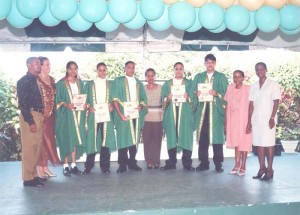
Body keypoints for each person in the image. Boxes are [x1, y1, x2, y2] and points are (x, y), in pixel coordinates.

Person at [191, 54, 228, 173]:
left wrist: (217, 94)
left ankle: (218, 164)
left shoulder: (221, 77)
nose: (210, 64)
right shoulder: (198, 77)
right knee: (203, 139)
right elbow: (192, 92)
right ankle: (204, 163)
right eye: (208, 62)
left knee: (217, 139)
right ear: (205, 63)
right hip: (202, 112)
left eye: (212, 62)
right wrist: (196, 94)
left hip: (215, 112)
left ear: (215, 63)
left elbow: (227, 94)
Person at [246, 62, 280, 181]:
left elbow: (276, 101)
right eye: (257, 69)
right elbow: (251, 104)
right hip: (256, 119)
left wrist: (272, 118)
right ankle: (262, 168)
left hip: (268, 119)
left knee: (269, 144)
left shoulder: (273, 84)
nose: (259, 71)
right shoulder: (253, 86)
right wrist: (249, 121)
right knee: (259, 144)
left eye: (261, 69)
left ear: (266, 70)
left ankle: (270, 170)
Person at [113, 61, 148, 173]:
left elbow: (143, 99)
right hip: (123, 115)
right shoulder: (118, 81)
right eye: (129, 67)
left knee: (134, 139)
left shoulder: (138, 83)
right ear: (124, 68)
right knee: (122, 139)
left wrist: (140, 107)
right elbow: (114, 99)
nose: (131, 70)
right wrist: (120, 114)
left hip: (135, 116)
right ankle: (122, 164)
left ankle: (132, 162)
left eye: (133, 68)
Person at [83, 63, 117, 174]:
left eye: (104, 70)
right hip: (94, 116)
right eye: (100, 70)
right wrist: (89, 107)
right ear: (96, 71)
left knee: (105, 141)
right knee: (92, 140)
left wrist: (112, 105)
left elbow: (114, 99)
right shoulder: (89, 84)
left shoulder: (111, 84)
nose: (102, 72)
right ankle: (88, 166)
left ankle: (105, 166)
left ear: (106, 70)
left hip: (106, 116)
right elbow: (84, 100)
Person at [160, 62, 195, 171]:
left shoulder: (190, 83)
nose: (179, 71)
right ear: (173, 70)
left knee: (186, 137)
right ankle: (171, 163)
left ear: (183, 70)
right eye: (177, 69)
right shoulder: (167, 84)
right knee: (171, 137)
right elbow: (163, 100)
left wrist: (188, 97)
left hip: (185, 113)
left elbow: (194, 99)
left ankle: (187, 164)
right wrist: (168, 98)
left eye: (181, 69)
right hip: (172, 113)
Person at [17, 57, 45, 187]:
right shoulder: (23, 81)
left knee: (37, 147)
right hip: (30, 115)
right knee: (29, 148)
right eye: (36, 63)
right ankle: (27, 179)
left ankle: (33, 175)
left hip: (39, 115)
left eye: (39, 63)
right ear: (28, 65)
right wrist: (30, 121)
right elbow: (23, 104)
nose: (38, 65)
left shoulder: (36, 81)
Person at [55, 61, 86, 176]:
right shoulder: (61, 84)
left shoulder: (80, 83)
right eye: (71, 69)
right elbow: (57, 101)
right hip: (66, 116)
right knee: (66, 139)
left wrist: (84, 104)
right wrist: (66, 104)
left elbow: (84, 98)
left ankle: (73, 165)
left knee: (74, 140)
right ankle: (65, 165)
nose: (73, 71)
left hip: (78, 116)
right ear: (67, 69)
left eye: (75, 69)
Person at [36, 57, 61, 178]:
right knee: (41, 142)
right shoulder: (35, 79)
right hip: (40, 116)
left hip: (50, 115)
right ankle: (40, 168)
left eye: (49, 65)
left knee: (49, 142)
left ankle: (45, 167)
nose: (48, 67)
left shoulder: (51, 79)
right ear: (39, 66)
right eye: (46, 65)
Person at [224, 70, 251, 176]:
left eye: (239, 77)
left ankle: (243, 165)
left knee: (244, 142)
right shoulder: (230, 88)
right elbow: (227, 106)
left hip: (244, 119)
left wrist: (249, 122)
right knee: (236, 142)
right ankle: (237, 165)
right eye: (235, 77)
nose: (237, 79)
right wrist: (226, 121)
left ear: (243, 78)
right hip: (233, 119)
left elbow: (251, 106)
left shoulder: (248, 89)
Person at [142, 68, 163, 169]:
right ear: (145, 77)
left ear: (155, 76)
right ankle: (149, 161)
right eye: (148, 75)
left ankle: (156, 160)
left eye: (152, 75)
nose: (150, 77)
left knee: (157, 141)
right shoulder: (142, 88)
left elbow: (165, 102)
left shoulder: (161, 88)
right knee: (147, 141)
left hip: (158, 118)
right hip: (146, 118)